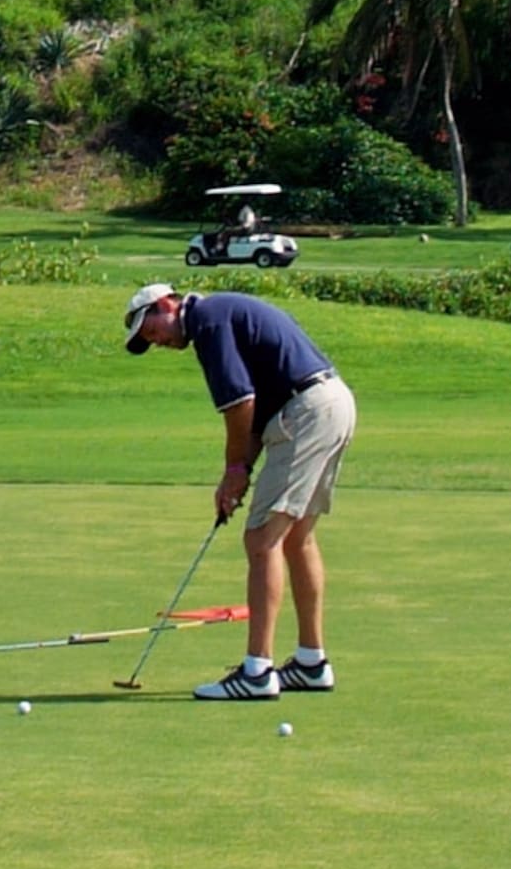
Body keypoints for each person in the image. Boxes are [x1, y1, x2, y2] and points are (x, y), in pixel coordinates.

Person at [122, 282, 356, 702]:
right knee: (297, 537)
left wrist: (233, 470)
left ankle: (256, 671)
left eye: (152, 330)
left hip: (306, 412)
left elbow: (239, 404)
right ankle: (310, 662)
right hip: (331, 404)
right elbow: (254, 411)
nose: (156, 341)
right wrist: (241, 469)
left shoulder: (209, 321)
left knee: (262, 539)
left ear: (166, 304)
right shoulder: (222, 314)